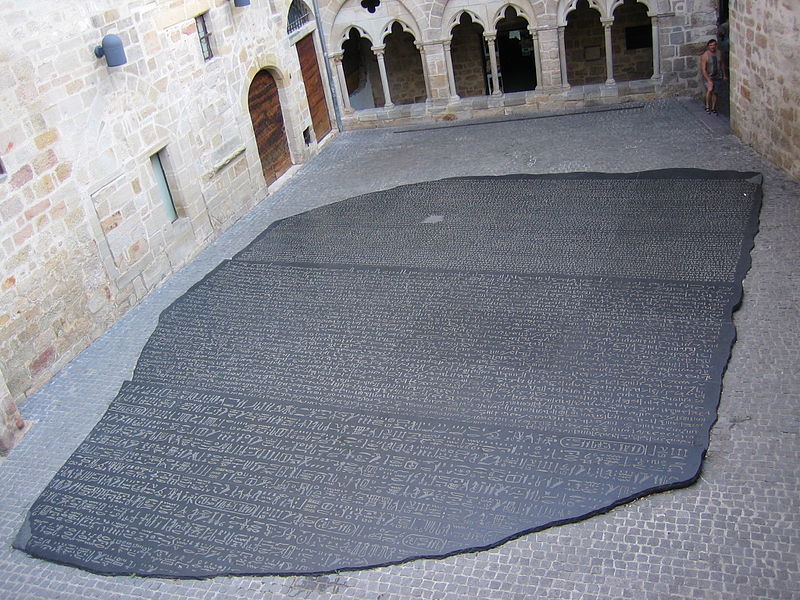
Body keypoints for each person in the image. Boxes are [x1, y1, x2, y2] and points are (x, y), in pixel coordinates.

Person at [700, 39, 727, 115]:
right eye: (711, 45)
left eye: (714, 45)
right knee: (710, 89)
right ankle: (707, 106)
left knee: (715, 92)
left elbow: (722, 64)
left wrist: (724, 75)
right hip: (709, 76)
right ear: (708, 46)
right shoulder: (705, 55)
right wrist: (708, 80)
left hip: (717, 76)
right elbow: (703, 69)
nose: (713, 47)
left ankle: (713, 108)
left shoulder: (719, 53)